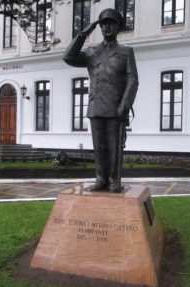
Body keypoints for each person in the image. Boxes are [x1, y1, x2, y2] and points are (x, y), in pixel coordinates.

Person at [63, 8, 139, 192]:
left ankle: (114, 180)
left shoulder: (125, 52)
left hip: (115, 107)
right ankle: (100, 179)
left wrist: (126, 103)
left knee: (114, 147)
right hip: (96, 105)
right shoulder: (91, 52)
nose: (107, 28)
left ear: (118, 28)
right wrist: (83, 34)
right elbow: (68, 57)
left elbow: (133, 79)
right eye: (104, 25)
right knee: (99, 147)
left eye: (111, 24)